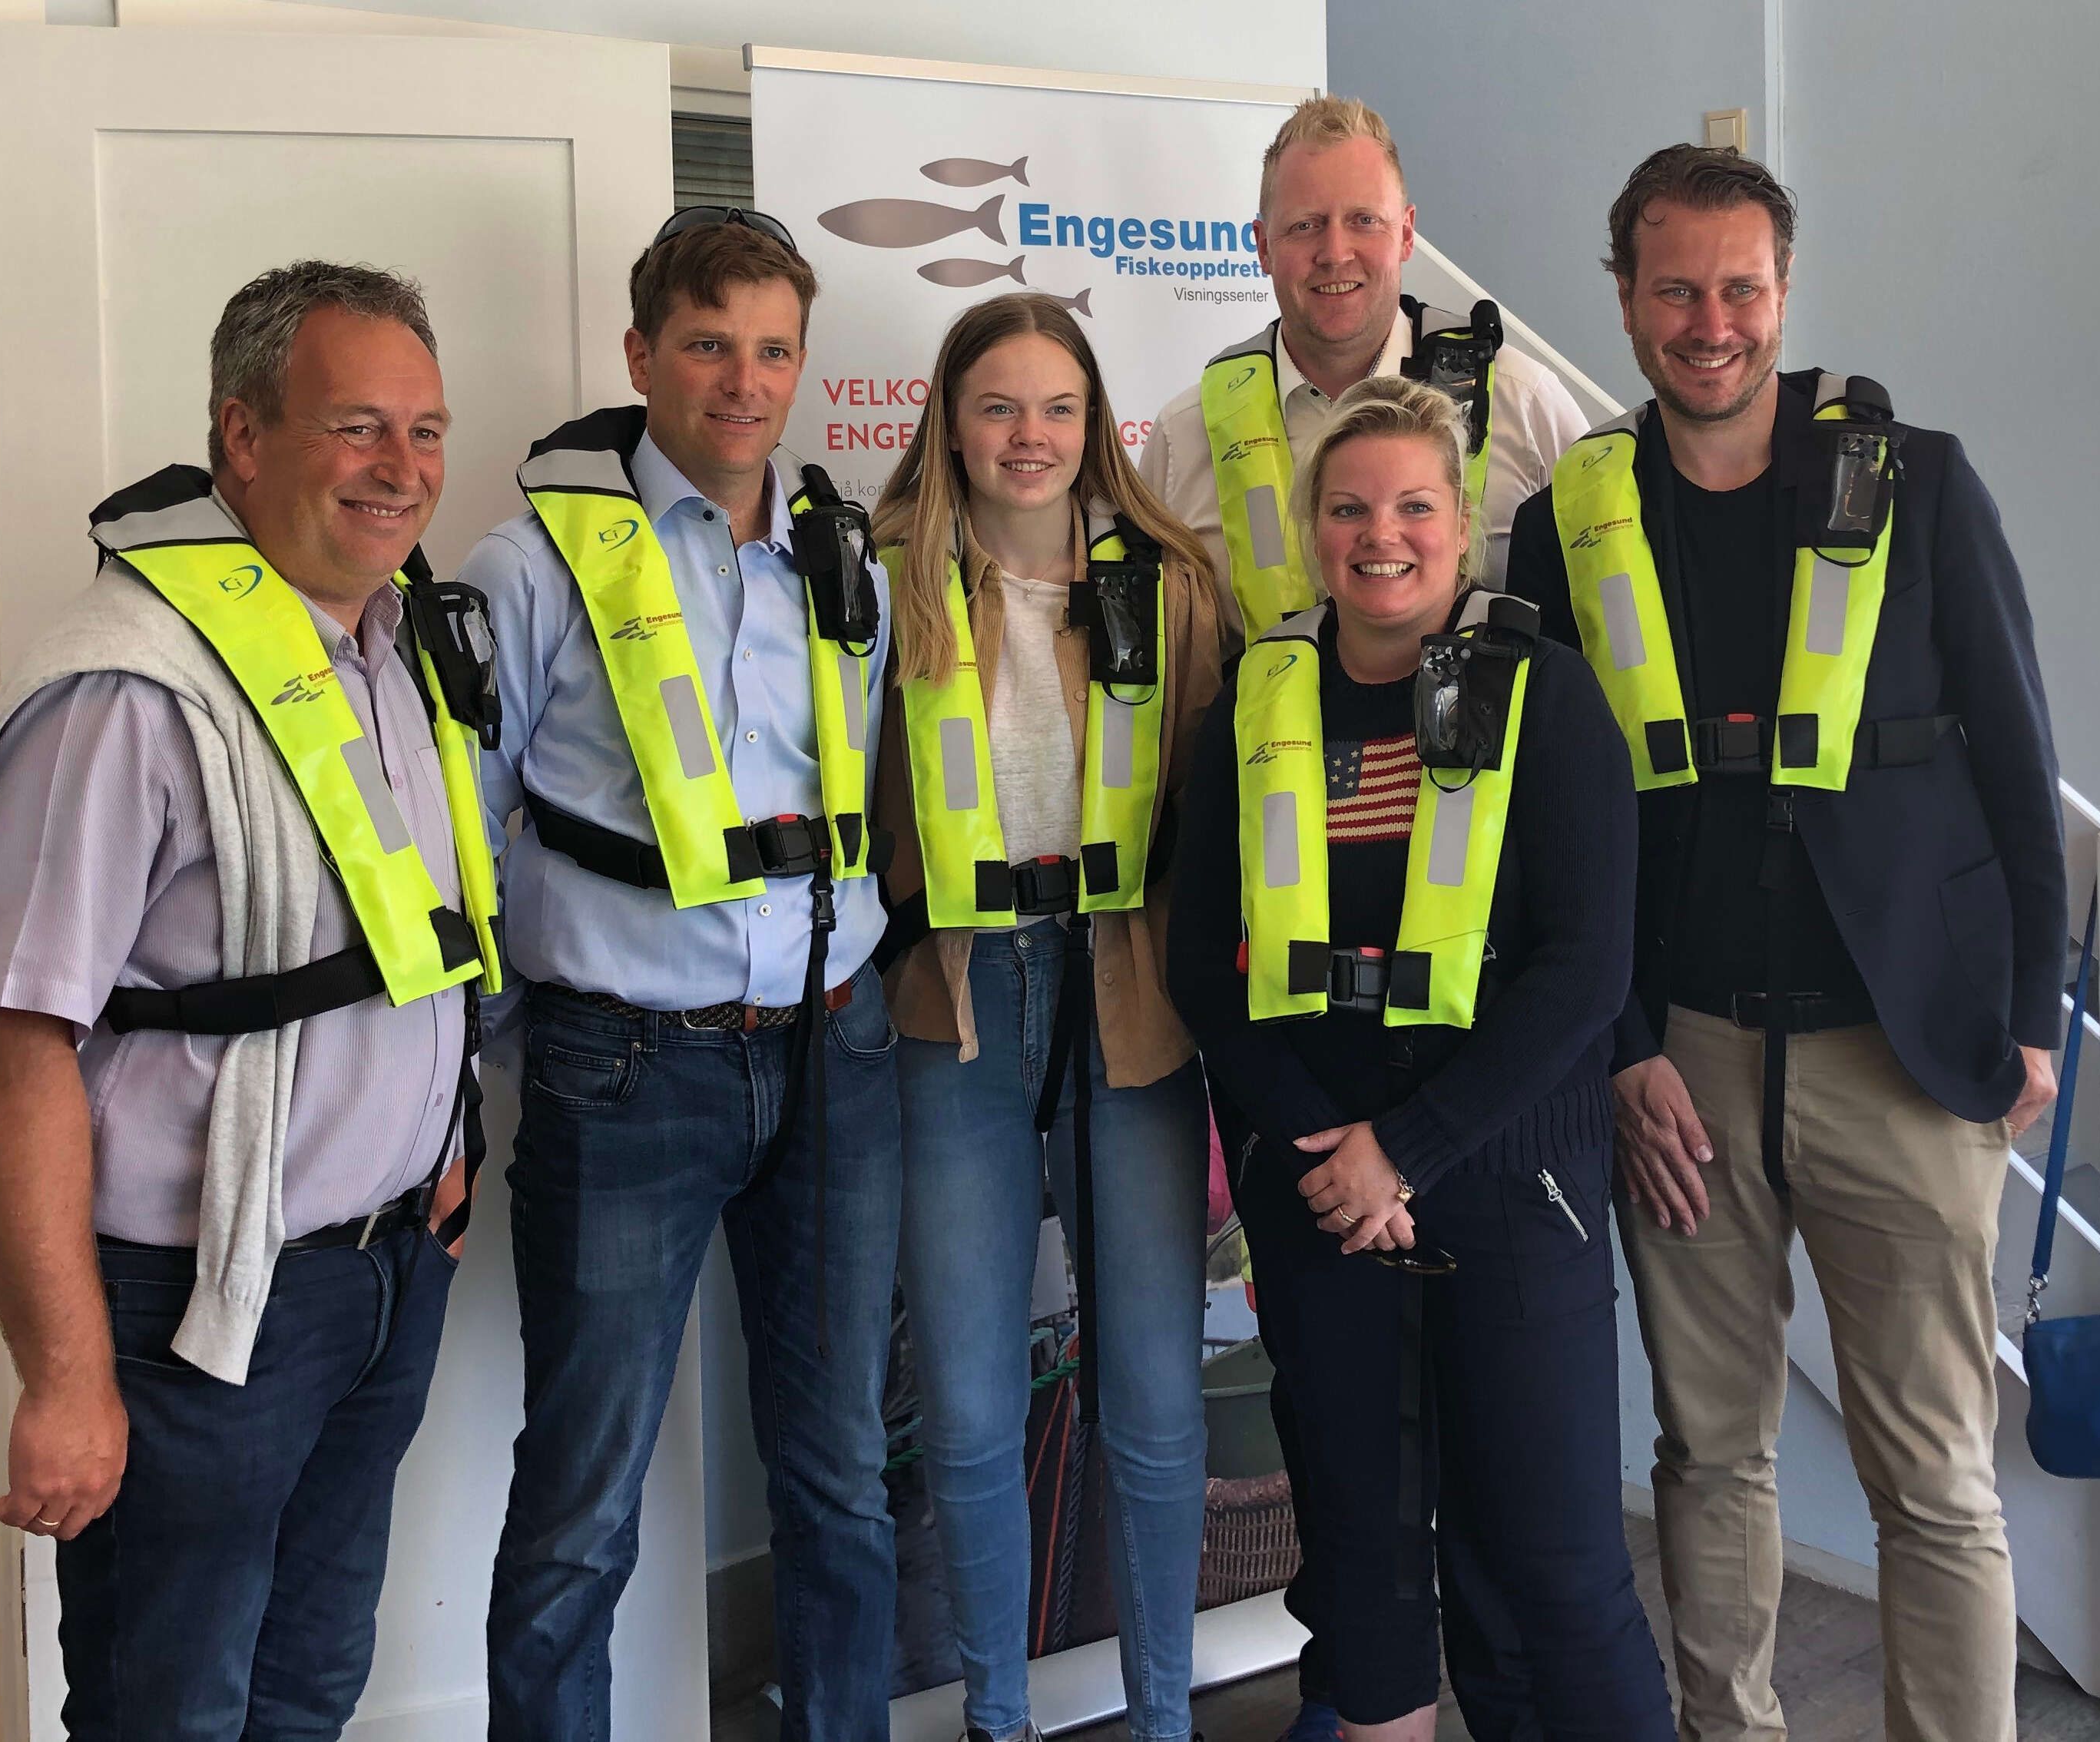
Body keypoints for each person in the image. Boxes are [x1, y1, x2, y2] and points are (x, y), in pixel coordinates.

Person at [1506, 146, 2067, 1742]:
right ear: (1624, 298)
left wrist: (2034, 1013)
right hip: (1683, 1059)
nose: (1710, 324)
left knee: (1935, 1476)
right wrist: (1621, 1053)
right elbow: (1549, 838)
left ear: (1783, 291)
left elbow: (2019, 765)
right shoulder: (1567, 527)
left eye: (1739, 289)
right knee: (1708, 1453)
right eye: (1675, 290)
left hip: (1902, 1052)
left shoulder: (1920, 486)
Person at [0, 261, 499, 1737]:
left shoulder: (391, 645)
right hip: (195, 1310)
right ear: (242, 435)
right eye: (356, 425)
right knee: (169, 1707)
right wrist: (65, 1379)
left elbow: (400, 951)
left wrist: (435, 1145)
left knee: (306, 1685)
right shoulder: (123, 690)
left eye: (426, 430)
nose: (402, 468)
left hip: (380, 1276)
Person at [1170, 377, 1678, 1742]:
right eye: (1348, 509)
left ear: (1461, 524)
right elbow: (1202, 962)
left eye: (1412, 507)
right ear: (1311, 528)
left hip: (1512, 1178)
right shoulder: (1255, 703)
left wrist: (1412, 1148)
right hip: (1319, 1185)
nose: (1379, 536)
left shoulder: (1548, 696)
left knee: (1553, 1561)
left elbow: (1585, 967)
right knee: (1362, 1559)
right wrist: (1324, 1149)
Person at [465, 208, 899, 1742]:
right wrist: (521, 1035)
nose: (744, 381)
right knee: (581, 1498)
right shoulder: (532, 565)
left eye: (774, 349)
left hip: (835, 1050)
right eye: (709, 344)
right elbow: (466, 823)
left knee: (842, 1478)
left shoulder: (843, 555)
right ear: (641, 353)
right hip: (628, 1068)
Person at [868, 293, 1237, 1742]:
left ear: (1097, 424)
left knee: (1152, 1399)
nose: (1030, 436)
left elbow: (1214, 819)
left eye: (1058, 407)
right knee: (965, 1406)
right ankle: (997, 1716)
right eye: (998, 406)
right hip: (951, 1011)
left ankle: (1163, 1717)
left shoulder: (1172, 583)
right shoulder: (884, 577)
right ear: (949, 422)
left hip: (1129, 1010)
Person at [1138, 94, 1588, 643]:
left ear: (1406, 233)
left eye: (1364, 220)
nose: (1335, 252)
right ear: (1262, 246)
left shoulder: (1525, 403)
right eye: (1305, 225)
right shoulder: (1185, 437)